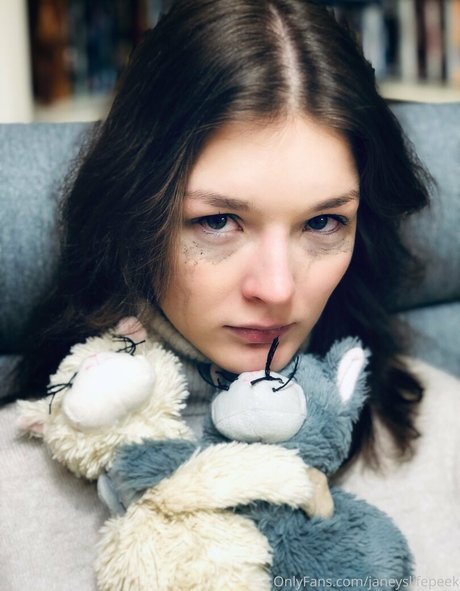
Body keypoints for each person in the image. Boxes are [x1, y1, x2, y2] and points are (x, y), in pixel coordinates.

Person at [1, 1, 459, 589]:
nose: (277, 288)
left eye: (323, 223)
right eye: (217, 222)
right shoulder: (17, 489)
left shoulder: (441, 427)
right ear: (133, 216)